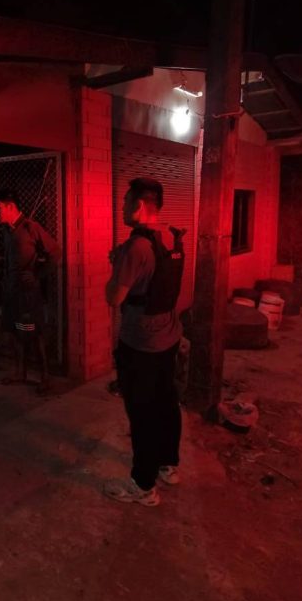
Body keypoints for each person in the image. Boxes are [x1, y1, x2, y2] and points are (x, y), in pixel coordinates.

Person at [103, 177, 186, 506]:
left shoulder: (136, 247)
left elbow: (114, 297)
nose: (122, 208)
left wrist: (116, 268)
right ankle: (168, 465)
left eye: (125, 203)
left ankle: (143, 485)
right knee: (166, 402)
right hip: (169, 336)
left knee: (142, 412)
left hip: (141, 343)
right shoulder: (167, 237)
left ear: (138, 206)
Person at [0, 188, 60, 393]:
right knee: (15, 331)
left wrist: (37, 274)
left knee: (34, 333)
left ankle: (45, 378)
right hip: (12, 292)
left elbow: (55, 253)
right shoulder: (7, 230)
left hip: (28, 294)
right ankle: (20, 372)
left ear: (10, 207)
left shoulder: (31, 227)